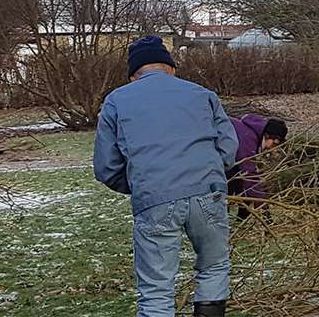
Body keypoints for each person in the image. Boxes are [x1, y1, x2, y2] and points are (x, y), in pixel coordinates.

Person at [93, 36, 237, 317]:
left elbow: (106, 167)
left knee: (157, 289)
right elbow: (228, 148)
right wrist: (208, 174)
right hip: (207, 192)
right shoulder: (203, 94)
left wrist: (141, 183)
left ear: (134, 75)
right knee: (214, 266)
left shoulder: (116, 101)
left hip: (155, 197)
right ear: (171, 67)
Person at [228, 114, 288, 221]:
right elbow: (249, 175)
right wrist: (264, 209)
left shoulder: (250, 132)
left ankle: (239, 217)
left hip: (224, 160)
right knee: (236, 182)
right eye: (274, 144)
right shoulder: (248, 139)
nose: (272, 149)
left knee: (238, 181)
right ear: (269, 136)